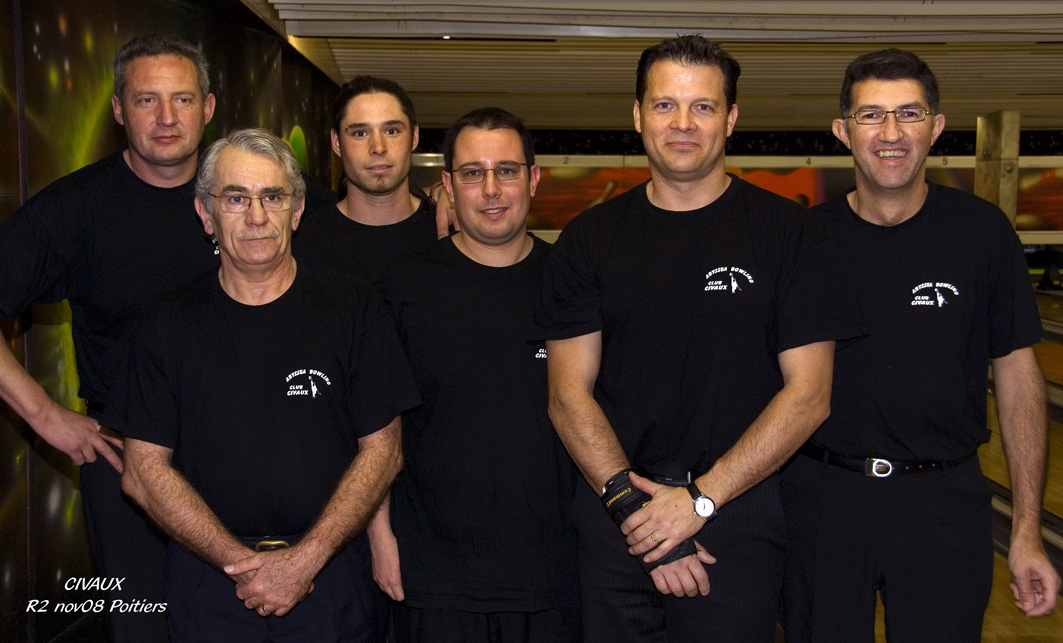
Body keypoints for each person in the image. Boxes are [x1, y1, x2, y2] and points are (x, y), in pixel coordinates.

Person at [537, 35, 862, 642]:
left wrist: (699, 502)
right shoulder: (588, 238)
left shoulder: (789, 233)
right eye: (665, 105)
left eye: (703, 106)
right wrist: (639, 514)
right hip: (616, 513)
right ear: (638, 116)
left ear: (731, 119)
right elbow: (567, 395)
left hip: (736, 510)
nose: (682, 123)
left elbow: (809, 396)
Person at [781, 48, 1061, 642]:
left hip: (944, 503)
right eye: (871, 115)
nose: (890, 133)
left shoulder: (983, 233)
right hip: (823, 501)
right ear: (842, 131)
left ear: (935, 128)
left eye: (909, 113)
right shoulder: (805, 239)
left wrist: (1027, 531)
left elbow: (1018, 379)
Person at [118, 128, 419, 641]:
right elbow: (143, 472)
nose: (256, 217)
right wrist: (241, 565)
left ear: (296, 211)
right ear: (206, 214)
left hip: (332, 581)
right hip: (209, 585)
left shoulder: (355, 311)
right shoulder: (165, 323)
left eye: (273, 197)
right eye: (236, 198)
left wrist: (305, 560)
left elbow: (383, 452)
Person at [0, 33, 218, 642]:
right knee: (144, 628)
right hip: (126, 465)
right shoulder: (77, 208)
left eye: (182, 99)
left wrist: (436, 207)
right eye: (147, 100)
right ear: (119, 110)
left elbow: (354, 233)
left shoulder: (248, 191)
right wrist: (44, 414)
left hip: (246, 457)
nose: (167, 117)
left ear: (208, 107)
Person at [376, 107, 580, 643]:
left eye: (506, 170)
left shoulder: (572, 284)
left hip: (554, 576)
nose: (491, 190)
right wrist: (377, 534)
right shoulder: (403, 288)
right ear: (448, 186)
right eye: (472, 173)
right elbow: (374, 427)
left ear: (533, 179)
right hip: (434, 577)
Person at [294, 75, 442, 283]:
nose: (378, 147)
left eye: (392, 131)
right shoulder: (301, 246)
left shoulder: (448, 232)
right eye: (360, 133)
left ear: (414, 137)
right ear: (336, 142)